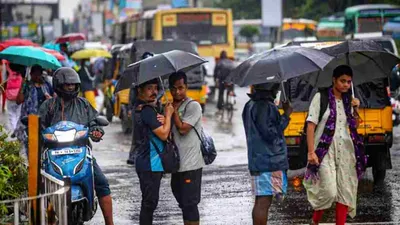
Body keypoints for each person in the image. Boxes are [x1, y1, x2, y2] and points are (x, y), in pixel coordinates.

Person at [38, 67, 114, 225]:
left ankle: (110, 222)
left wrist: (96, 131)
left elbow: (95, 122)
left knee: (102, 183)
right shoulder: (48, 106)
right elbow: (38, 125)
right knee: (38, 184)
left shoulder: (84, 105)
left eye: (73, 85)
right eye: (67, 85)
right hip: (54, 154)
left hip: (80, 152)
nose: (71, 88)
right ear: (59, 86)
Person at [304, 65, 366, 225]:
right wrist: (311, 152)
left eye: (348, 82)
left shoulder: (349, 100)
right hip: (324, 152)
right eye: (342, 81)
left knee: (345, 191)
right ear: (334, 80)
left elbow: (355, 125)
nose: (345, 84)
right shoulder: (321, 97)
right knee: (330, 191)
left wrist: (356, 109)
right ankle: (315, 221)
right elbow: (310, 125)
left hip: (346, 150)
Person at [242, 83, 293, 225]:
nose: (277, 91)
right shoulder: (265, 106)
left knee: (260, 200)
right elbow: (271, 134)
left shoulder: (250, 104)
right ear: (270, 88)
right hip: (269, 161)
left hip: (259, 159)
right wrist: (286, 115)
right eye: (276, 87)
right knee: (264, 202)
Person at [132, 78, 174, 225]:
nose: (154, 92)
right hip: (150, 163)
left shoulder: (141, 108)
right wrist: (169, 115)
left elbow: (161, 131)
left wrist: (164, 119)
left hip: (148, 163)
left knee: (149, 202)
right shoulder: (147, 111)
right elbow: (163, 134)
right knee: (149, 203)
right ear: (140, 90)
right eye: (149, 88)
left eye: (156, 88)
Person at [169, 72, 204, 225]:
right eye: (174, 89)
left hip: (191, 165)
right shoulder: (169, 106)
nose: (177, 92)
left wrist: (173, 112)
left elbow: (183, 129)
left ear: (186, 87)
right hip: (177, 165)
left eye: (181, 88)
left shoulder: (193, 106)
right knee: (182, 203)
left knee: (190, 204)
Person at [15, 65, 54, 158]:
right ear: (31, 74)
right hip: (29, 120)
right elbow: (18, 101)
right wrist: (22, 86)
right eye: (34, 75)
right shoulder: (27, 85)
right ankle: (32, 163)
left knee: (43, 144)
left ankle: (41, 163)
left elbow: (54, 100)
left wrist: (50, 99)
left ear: (41, 74)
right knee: (30, 144)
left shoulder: (47, 85)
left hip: (44, 120)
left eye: (38, 74)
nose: (36, 77)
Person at [127, 52, 155, 165]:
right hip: (138, 108)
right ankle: (133, 156)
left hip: (153, 107)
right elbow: (132, 92)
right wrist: (131, 107)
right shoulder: (137, 76)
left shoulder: (156, 75)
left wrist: (155, 99)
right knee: (137, 133)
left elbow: (161, 90)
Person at [214, 50, 234, 114]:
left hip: (222, 80)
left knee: (221, 93)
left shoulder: (219, 62)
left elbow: (215, 72)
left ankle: (220, 107)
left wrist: (215, 80)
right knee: (230, 91)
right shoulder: (231, 62)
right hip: (231, 80)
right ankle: (231, 102)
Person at [4, 63, 23, 134]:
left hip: (10, 95)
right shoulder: (22, 71)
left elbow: (4, 80)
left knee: (11, 114)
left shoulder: (8, 70)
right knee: (18, 113)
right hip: (18, 95)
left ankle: (14, 129)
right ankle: (17, 130)